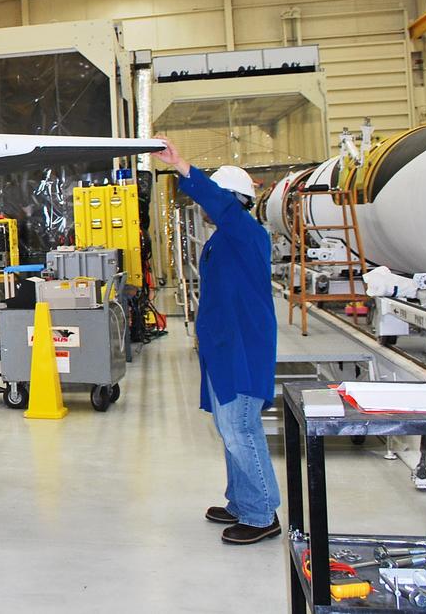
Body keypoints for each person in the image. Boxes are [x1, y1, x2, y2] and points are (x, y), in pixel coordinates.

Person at [153, 137, 280, 545]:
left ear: (231, 199)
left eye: (213, 200)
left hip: (242, 350)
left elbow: (223, 207)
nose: (204, 208)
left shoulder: (246, 232)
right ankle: (242, 502)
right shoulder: (223, 239)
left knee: (241, 427)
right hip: (224, 348)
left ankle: (263, 513)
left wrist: (183, 167)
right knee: (230, 428)